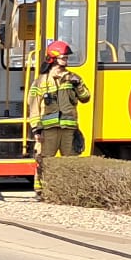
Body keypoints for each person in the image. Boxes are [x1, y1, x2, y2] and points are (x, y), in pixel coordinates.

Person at [26, 39, 89, 194]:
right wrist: (36, 130)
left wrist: (78, 85)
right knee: (45, 161)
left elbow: (86, 97)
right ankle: (42, 191)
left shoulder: (73, 78)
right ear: (53, 58)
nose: (66, 60)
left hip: (68, 128)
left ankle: (70, 192)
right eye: (64, 57)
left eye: (67, 58)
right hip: (48, 130)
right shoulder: (40, 82)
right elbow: (33, 107)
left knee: (71, 162)